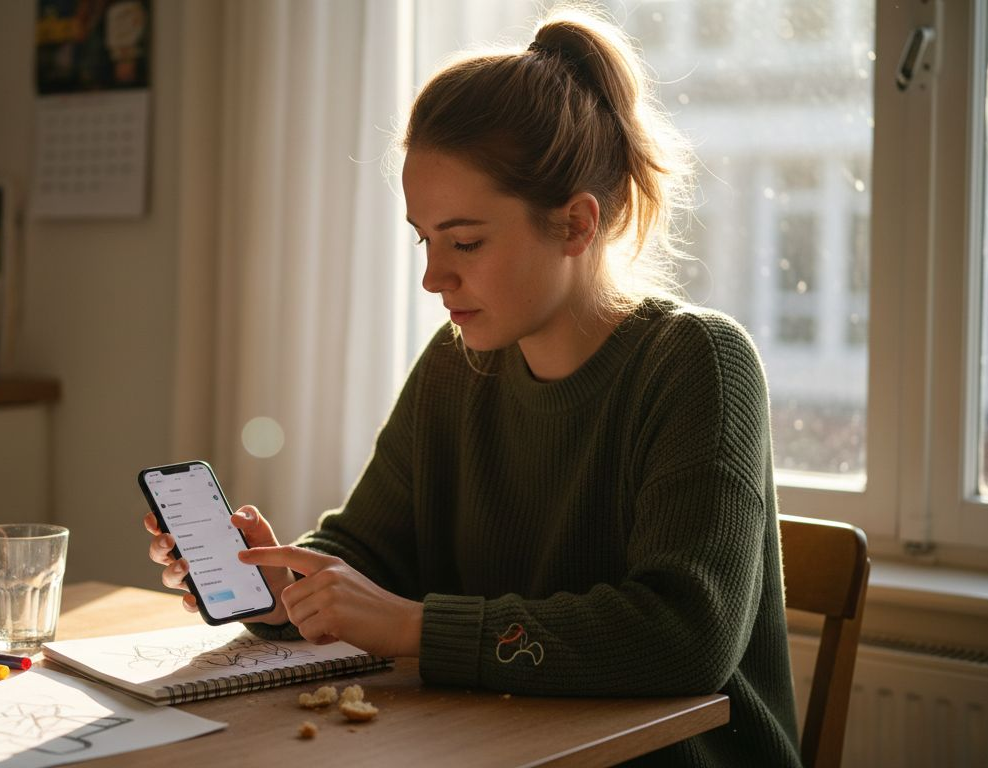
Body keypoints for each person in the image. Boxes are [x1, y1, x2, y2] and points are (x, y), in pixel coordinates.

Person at [145, 7, 801, 766]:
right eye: (425, 239)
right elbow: (369, 555)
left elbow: (685, 636)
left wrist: (415, 628)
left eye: (464, 241)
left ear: (576, 225)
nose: (433, 277)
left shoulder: (697, 364)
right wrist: (275, 582)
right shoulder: (455, 366)